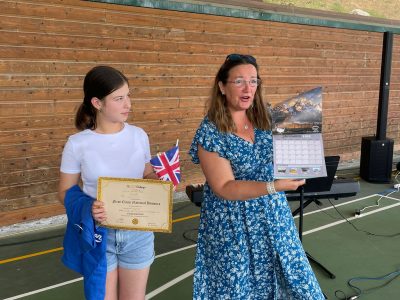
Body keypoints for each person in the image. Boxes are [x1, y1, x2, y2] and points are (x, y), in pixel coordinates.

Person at [189, 54, 325, 299]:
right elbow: (224, 187)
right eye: (239, 81)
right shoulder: (210, 131)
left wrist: (303, 154)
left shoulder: (269, 118)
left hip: (274, 218)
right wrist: (274, 185)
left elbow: (291, 156)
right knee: (238, 289)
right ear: (222, 86)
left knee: (297, 283)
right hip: (232, 225)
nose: (248, 88)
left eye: (253, 81)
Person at [58, 65, 158, 300]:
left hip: (138, 232)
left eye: (128, 96)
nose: (128, 104)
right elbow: (64, 191)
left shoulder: (139, 135)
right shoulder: (77, 144)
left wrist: (161, 182)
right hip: (100, 234)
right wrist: (88, 207)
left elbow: (146, 174)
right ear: (97, 103)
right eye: (119, 98)